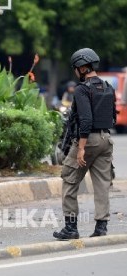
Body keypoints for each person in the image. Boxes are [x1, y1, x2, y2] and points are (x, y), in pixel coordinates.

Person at [53, 48, 116, 240]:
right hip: (106, 139)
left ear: (81, 67)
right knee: (102, 184)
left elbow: (86, 121)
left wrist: (81, 148)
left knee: (70, 181)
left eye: (75, 68)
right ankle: (101, 227)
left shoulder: (82, 89)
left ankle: (71, 228)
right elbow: (113, 115)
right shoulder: (107, 87)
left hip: (88, 140)